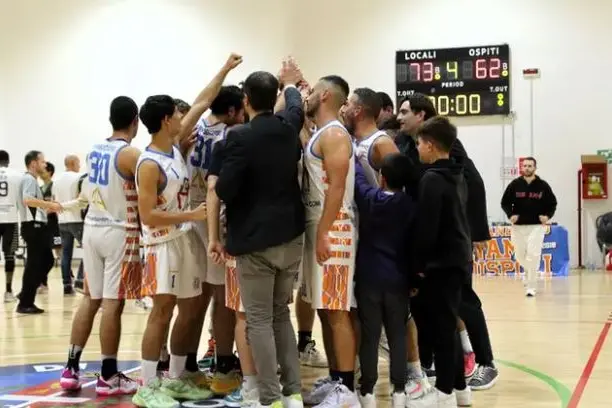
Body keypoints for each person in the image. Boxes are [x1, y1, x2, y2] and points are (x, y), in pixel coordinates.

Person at [133, 53, 242, 408]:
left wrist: (225, 69)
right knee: (161, 312)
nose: (185, 116)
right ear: (167, 120)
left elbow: (202, 101)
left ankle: (178, 377)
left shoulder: (176, 147)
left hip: (183, 240)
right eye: (177, 115)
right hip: (162, 244)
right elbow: (148, 215)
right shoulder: (149, 162)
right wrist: (191, 214)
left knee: (191, 308)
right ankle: (148, 385)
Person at [215, 60, 305, 408]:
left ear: (246, 100)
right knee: (281, 314)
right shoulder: (288, 127)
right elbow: (296, 106)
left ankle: (270, 398)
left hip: (255, 241)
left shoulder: (239, 137)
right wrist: (291, 83)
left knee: (259, 321)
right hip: (291, 236)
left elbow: (225, 189)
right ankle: (293, 392)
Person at [398, 93, 499, 391]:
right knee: (430, 306)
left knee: (463, 301)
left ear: (421, 115)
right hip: (429, 239)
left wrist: (477, 231)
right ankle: (433, 364)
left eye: (405, 112)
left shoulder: (447, 147)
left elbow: (474, 182)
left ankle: (486, 362)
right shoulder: (407, 143)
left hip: (450, 240)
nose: (399, 118)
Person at [58, 96, 143, 396]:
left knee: (89, 299)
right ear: (135, 121)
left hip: (91, 228)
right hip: (117, 231)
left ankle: (71, 368)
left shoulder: (94, 150)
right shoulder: (130, 154)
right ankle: (108, 375)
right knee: (112, 304)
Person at [301, 74, 360, 407]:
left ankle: (347, 389)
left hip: (334, 229)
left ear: (324, 95)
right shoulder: (320, 132)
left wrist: (324, 232)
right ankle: (337, 378)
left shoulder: (335, 134)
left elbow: (336, 188)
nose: (307, 96)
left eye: (311, 91)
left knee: (337, 311)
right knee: (325, 309)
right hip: (320, 226)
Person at [408, 116, 471, 408]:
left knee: (441, 331)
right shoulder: (457, 174)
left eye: (419, 143)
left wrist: (416, 268)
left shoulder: (432, 179)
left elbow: (427, 229)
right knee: (448, 326)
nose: (417, 149)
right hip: (456, 260)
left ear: (431, 145)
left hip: (441, 264)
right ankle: (460, 389)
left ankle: (444, 393)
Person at [187, 85, 245, 394]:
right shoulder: (234, 134)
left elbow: (201, 100)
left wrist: (223, 69)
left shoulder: (194, 125)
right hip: (215, 219)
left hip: (188, 218)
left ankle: (184, 363)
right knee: (224, 298)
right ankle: (223, 364)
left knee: (194, 297)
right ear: (233, 110)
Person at [353, 154, 415, 408]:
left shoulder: (370, 199)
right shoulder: (411, 206)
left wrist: (354, 157)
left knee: (370, 336)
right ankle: (399, 391)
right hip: (398, 280)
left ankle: (367, 391)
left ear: (382, 178)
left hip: (368, 279)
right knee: (397, 334)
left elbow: (357, 180)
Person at [501, 157, 557, 297]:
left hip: (536, 226)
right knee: (519, 255)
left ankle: (531, 286)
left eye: (530, 166)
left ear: (535, 168)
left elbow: (552, 203)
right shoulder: (515, 184)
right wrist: (510, 215)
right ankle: (528, 272)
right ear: (522, 168)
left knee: (533, 255)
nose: (527, 168)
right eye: (525, 166)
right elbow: (505, 202)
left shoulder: (542, 185)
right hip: (518, 226)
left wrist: (547, 216)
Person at [17, 150, 60, 314]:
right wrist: (48, 204)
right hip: (33, 227)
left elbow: (33, 204)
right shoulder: (29, 179)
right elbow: (27, 200)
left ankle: (25, 292)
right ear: (34, 163)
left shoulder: (31, 180)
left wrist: (47, 208)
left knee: (47, 260)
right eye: (42, 161)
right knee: (35, 264)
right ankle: (25, 302)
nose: (45, 164)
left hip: (37, 225)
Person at [52, 154, 84, 295]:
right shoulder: (79, 177)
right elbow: (81, 198)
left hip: (62, 220)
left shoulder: (56, 180)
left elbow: (54, 200)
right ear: (72, 163)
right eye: (78, 163)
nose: (79, 166)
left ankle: (66, 285)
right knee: (89, 250)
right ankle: (80, 280)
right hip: (77, 220)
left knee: (66, 254)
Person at [0, 150, 23, 303]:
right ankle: (8, 292)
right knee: (9, 255)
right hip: (11, 219)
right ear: (8, 161)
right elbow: (21, 200)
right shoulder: (17, 175)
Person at [40, 161, 61, 291]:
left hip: (55, 225)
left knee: (60, 252)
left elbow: (56, 205)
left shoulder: (54, 186)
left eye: (43, 170)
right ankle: (43, 282)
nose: (41, 172)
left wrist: (47, 208)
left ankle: (69, 278)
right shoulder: (40, 188)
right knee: (44, 254)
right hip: (44, 226)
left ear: (49, 172)